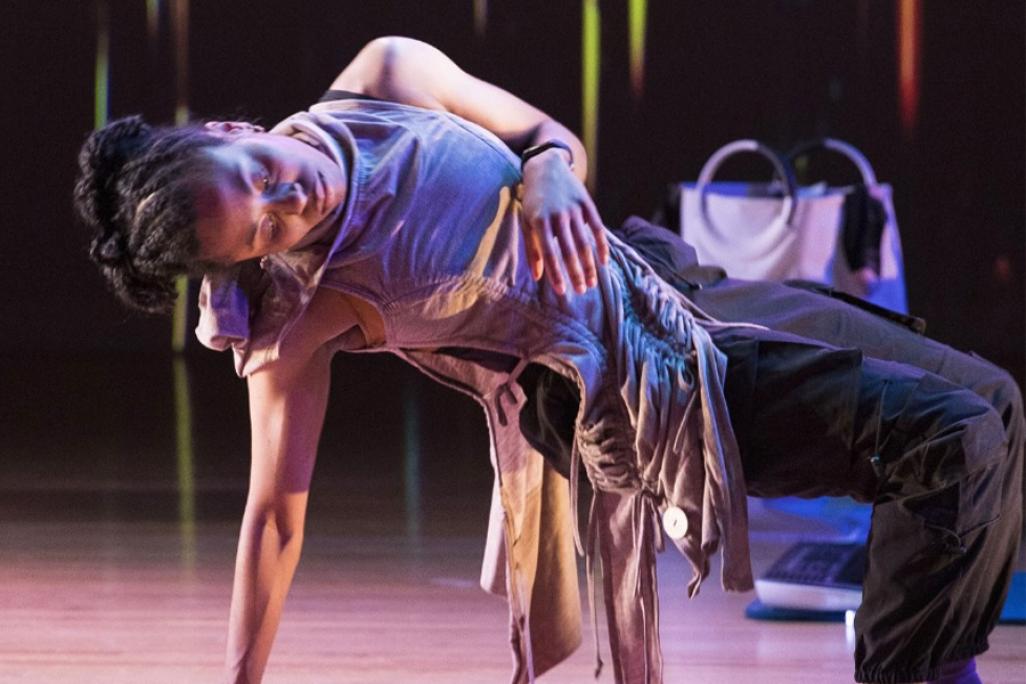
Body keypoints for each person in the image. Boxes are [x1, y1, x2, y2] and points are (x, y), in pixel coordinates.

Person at [73, 36, 1021, 684]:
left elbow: (543, 135)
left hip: (671, 288)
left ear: (230, 132)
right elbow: (275, 517)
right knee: (956, 444)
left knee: (997, 403)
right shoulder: (297, 315)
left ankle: (934, 662)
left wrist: (549, 170)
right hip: (634, 393)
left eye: (261, 178)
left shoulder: (383, 74)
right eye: (264, 231)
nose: (292, 201)